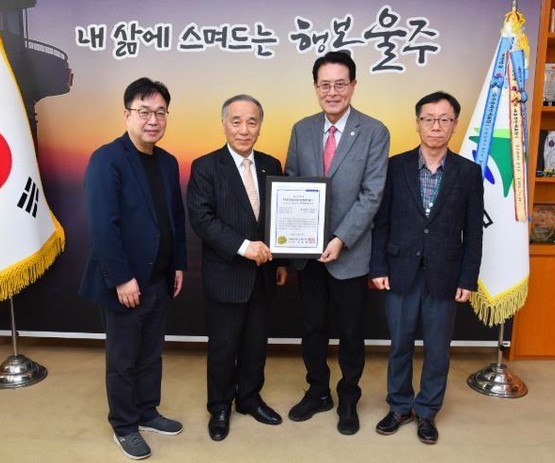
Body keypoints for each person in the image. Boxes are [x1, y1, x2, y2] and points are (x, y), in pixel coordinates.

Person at [80, 77, 187, 460]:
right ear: (127, 115)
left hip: (159, 278)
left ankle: (146, 411)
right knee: (123, 358)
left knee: (151, 353)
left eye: (160, 112)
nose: (153, 120)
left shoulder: (167, 162)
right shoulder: (107, 159)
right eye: (144, 112)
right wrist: (122, 279)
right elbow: (102, 227)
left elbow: (175, 219)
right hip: (124, 282)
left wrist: (178, 265)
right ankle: (124, 425)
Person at [370, 91, 484, 445]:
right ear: (417, 123)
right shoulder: (395, 166)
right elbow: (382, 222)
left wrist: (468, 278)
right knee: (400, 344)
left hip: (445, 275)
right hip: (400, 271)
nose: (436, 126)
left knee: (437, 349)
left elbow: (474, 231)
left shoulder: (468, 172)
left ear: (454, 125)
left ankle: (427, 411)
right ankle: (399, 406)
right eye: (429, 119)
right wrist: (378, 267)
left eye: (444, 119)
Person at [285, 51, 389, 435]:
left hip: (350, 254)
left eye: (340, 84)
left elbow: (372, 194)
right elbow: (291, 184)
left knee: (350, 332)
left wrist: (341, 238)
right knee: (312, 327)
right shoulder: (302, 129)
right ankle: (317, 392)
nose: (332, 92)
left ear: (353, 86)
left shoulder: (374, 131)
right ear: (316, 87)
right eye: (324, 85)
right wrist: (299, 237)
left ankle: (348, 398)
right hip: (309, 254)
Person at [187, 94, 287, 442]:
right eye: (236, 121)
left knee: (256, 344)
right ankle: (219, 407)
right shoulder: (205, 166)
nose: (244, 129)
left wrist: (281, 261)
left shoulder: (271, 164)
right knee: (224, 346)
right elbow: (202, 219)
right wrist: (244, 247)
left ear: (260, 126)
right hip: (226, 274)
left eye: (252, 122)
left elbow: (277, 217)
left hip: (264, 274)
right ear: (224, 124)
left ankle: (249, 399)